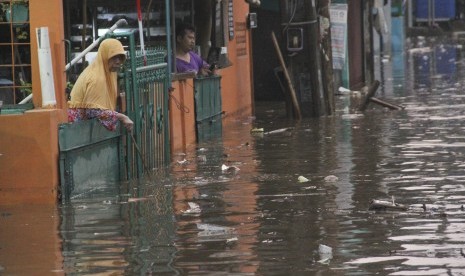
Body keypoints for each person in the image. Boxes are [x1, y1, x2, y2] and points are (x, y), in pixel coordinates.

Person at [67, 38, 134, 132]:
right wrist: (122, 117)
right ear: (104, 56)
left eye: (120, 57)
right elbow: (93, 111)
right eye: (114, 57)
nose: (118, 61)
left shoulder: (109, 74)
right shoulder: (96, 77)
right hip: (77, 130)